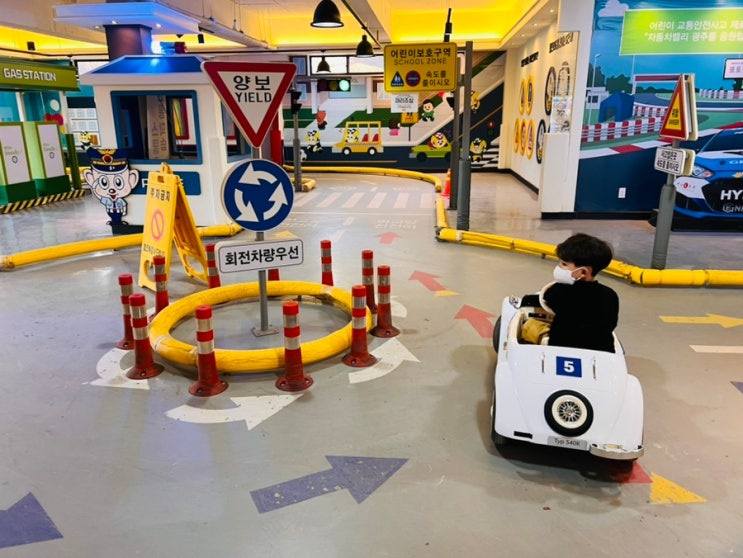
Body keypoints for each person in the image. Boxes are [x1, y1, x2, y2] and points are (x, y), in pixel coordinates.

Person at [538, 233, 619, 353]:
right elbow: (611, 324)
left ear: (582, 272)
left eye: (564, 264)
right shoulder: (610, 295)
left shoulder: (559, 291)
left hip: (561, 350)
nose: (559, 267)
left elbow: (546, 298)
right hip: (601, 352)